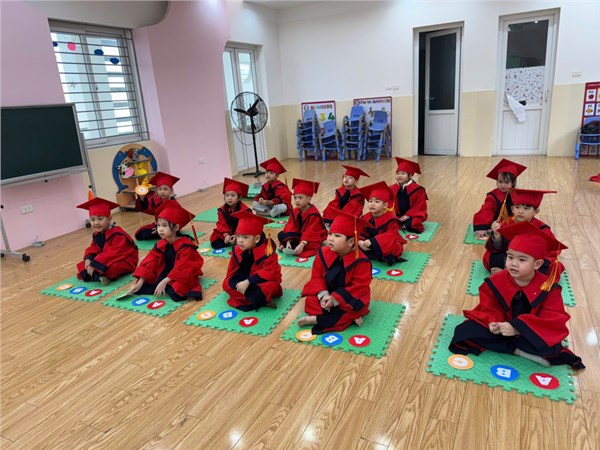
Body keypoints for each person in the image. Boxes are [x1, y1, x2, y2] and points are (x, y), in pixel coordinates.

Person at [450, 221, 585, 369]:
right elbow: (489, 306)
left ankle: (513, 347)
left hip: (527, 333)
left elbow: (552, 320)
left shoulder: (548, 289)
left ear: (537, 264)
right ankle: (518, 351)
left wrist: (517, 328)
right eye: (510, 257)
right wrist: (494, 322)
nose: (513, 263)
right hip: (502, 328)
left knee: (551, 347)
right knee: (464, 331)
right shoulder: (497, 280)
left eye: (521, 259)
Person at [298, 210, 372, 334]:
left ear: (351, 242)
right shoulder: (323, 253)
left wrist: (335, 299)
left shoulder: (362, 262)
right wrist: (324, 295)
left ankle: (316, 319)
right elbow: (316, 277)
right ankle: (348, 317)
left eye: (337, 236)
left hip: (348, 299)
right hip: (328, 294)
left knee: (356, 308)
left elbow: (358, 287)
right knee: (310, 302)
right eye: (330, 234)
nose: (331, 239)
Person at [129, 200, 204, 301]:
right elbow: (150, 262)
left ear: (176, 227)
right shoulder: (160, 244)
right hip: (166, 272)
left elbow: (184, 267)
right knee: (140, 287)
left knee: (177, 291)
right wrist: (140, 282)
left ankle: (167, 284)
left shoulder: (186, 246)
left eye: (164, 226)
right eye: (158, 225)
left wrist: (164, 281)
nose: (160, 229)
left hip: (181, 273)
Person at [484, 189, 563, 279]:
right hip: (511, 258)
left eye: (526, 208)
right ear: (512, 209)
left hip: (530, 261)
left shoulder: (542, 229)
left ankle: (509, 274)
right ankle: (517, 275)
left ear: (536, 211)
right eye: (517, 207)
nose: (520, 211)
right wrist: (497, 235)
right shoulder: (506, 224)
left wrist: (535, 259)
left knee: (554, 266)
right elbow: (497, 248)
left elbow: (554, 249)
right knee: (490, 256)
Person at [223, 211, 282, 311]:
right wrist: (237, 281)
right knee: (226, 284)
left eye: (245, 237)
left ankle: (254, 298)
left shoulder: (267, 251)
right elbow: (232, 271)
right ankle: (260, 299)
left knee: (271, 287)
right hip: (243, 279)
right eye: (238, 236)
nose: (240, 240)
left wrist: (248, 282)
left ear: (257, 238)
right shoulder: (238, 249)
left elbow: (270, 273)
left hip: (261, 282)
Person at [76, 198, 138, 285]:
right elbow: (94, 248)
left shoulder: (118, 234)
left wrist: (94, 264)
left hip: (125, 260)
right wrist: (88, 259)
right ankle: (99, 276)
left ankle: (95, 275)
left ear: (109, 219)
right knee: (82, 265)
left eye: (100, 219)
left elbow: (113, 253)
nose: (96, 222)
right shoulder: (97, 234)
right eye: (92, 219)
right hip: (105, 259)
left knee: (113, 268)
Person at [473, 159, 526, 239]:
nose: (503, 185)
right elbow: (486, 210)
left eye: (507, 182)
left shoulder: (517, 195)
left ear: (513, 183)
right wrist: (482, 227)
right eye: (500, 182)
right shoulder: (493, 195)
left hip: (512, 221)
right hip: (496, 221)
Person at [358, 181, 406, 265]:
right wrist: (360, 241)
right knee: (351, 246)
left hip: (386, 244)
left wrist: (373, 241)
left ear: (385, 205)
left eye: (377, 202)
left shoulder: (391, 219)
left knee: (392, 251)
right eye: (370, 201)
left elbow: (392, 235)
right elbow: (361, 230)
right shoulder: (365, 217)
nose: (372, 204)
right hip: (369, 243)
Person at [277, 178, 327, 257]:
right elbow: (291, 226)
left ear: (309, 199)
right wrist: (288, 241)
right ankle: (289, 245)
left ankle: (291, 247)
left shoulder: (314, 214)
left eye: (300, 198)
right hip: (299, 235)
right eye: (295, 198)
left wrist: (302, 243)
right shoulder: (295, 211)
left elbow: (311, 231)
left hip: (311, 237)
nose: (297, 200)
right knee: (281, 234)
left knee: (313, 244)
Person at [134, 171, 180, 240]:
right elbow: (145, 208)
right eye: (160, 189)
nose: (162, 192)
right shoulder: (155, 201)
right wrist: (142, 198)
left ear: (171, 191)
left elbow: (178, 220)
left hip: (170, 226)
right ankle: (159, 232)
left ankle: (162, 233)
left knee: (169, 232)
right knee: (139, 234)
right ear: (157, 190)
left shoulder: (174, 204)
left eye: (165, 189)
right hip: (159, 225)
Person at [210, 178, 252, 249]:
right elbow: (222, 224)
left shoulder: (245, 210)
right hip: (228, 231)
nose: (229, 198)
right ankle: (232, 242)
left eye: (233, 195)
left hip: (241, 231)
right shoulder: (222, 210)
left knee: (250, 238)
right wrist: (226, 235)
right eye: (227, 195)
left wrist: (237, 235)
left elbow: (245, 225)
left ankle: (236, 241)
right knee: (215, 243)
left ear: (238, 198)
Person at [389, 157, 428, 233]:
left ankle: (403, 225)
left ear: (410, 176)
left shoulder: (418, 189)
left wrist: (407, 216)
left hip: (412, 215)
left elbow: (420, 206)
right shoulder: (391, 188)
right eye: (397, 173)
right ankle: (400, 224)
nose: (399, 176)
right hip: (397, 215)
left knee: (413, 224)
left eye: (403, 173)